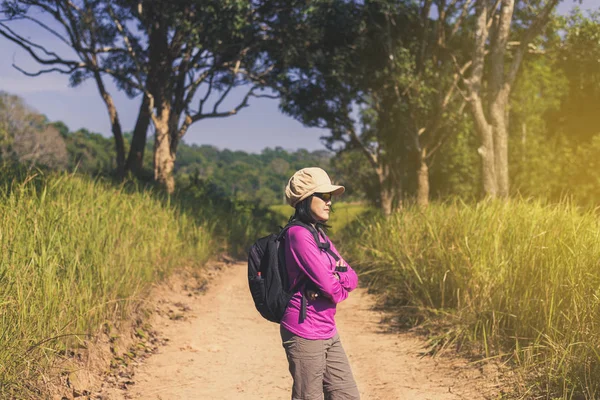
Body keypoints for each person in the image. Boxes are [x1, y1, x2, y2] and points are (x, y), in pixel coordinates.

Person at [281, 167, 360, 400]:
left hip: (327, 328)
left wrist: (337, 281)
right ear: (306, 199)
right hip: (305, 331)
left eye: (330, 198)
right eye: (324, 196)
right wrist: (336, 280)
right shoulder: (298, 234)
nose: (329, 203)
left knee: (346, 395)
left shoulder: (319, 234)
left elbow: (352, 278)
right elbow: (331, 288)